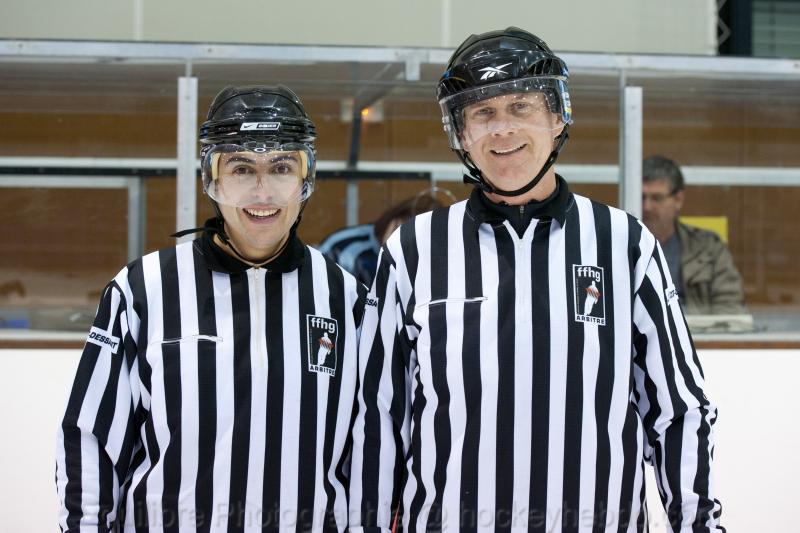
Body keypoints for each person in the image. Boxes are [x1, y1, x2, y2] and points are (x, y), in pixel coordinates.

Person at [349, 28, 723, 532]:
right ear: (461, 133)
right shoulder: (413, 249)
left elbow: (678, 410)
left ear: (557, 116)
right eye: (482, 113)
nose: (502, 129)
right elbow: (378, 416)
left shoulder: (625, 243)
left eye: (520, 107)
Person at [56, 85, 365, 532]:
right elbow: (91, 439)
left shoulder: (347, 298)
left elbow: (367, 451)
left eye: (281, 167)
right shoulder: (143, 289)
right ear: (212, 179)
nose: (262, 192)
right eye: (241, 168)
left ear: (305, 179)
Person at [642, 154, 747, 315]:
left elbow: (731, 306)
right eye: (641, 197)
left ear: (678, 200)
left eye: (657, 198)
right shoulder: (616, 246)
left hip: (695, 329)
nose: (647, 207)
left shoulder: (708, 247)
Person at [318, 191, 445, 286]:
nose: (400, 240)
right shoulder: (344, 247)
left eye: (414, 240)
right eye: (401, 228)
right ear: (394, 216)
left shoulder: (427, 265)